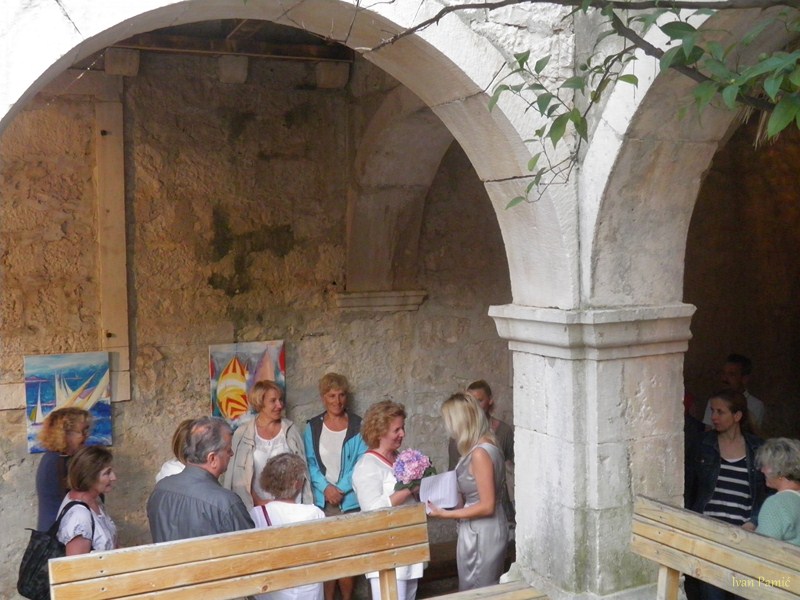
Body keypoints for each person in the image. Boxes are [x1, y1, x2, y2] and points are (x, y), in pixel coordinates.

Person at [687, 389, 767, 600]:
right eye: (712, 410)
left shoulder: (757, 448)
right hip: (709, 534)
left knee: (743, 593)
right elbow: (689, 488)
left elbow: (766, 493)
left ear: (737, 415)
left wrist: (754, 521)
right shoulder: (702, 444)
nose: (713, 417)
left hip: (744, 536)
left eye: (720, 412)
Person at [429, 393, 508, 591]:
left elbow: (487, 506)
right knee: (478, 587)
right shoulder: (487, 444)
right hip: (482, 528)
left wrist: (445, 514)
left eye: (449, 421)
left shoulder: (480, 453)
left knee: (478, 588)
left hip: (481, 531)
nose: (449, 428)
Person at [304, 372, 367, 600]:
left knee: (348, 557)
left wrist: (339, 489)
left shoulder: (358, 425)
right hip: (323, 501)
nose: (337, 401)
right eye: (332, 396)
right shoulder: (312, 427)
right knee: (327, 557)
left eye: (341, 395)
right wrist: (325, 488)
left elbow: (362, 461)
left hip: (349, 501)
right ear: (323, 398)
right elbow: (309, 462)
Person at [352, 400, 422, 600]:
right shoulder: (367, 466)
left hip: (408, 545)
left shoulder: (399, 458)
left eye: (403, 427)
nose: (403, 433)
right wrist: (408, 489)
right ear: (380, 432)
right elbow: (372, 511)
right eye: (396, 430)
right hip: (387, 551)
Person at [147, 416, 254, 542]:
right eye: (228, 449)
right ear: (212, 459)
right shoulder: (226, 503)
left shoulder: (160, 490)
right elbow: (251, 546)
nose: (232, 454)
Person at [223, 380, 311, 509]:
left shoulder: (291, 430)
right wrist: (260, 503)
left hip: (290, 507)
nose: (279, 405)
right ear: (260, 402)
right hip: (255, 508)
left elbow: (303, 472)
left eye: (280, 400)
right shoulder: (242, 434)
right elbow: (238, 478)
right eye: (273, 401)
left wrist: (286, 504)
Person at [251, 453, 325, 600]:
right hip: (309, 592)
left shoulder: (257, 514)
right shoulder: (314, 513)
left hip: (270, 592)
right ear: (297, 484)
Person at [448, 380, 515, 527]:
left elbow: (511, 467)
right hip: (474, 515)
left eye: (479, 401)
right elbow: (453, 474)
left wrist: (444, 514)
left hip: (488, 517)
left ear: (490, 401)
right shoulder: (457, 441)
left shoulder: (496, 437)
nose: (476, 407)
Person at [36, 407, 91, 530]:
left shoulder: (58, 458)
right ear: (65, 434)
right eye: (82, 431)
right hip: (59, 532)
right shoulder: (56, 461)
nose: (86, 436)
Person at [56, 445, 118, 554]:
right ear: (89, 476)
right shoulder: (79, 516)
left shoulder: (94, 500)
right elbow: (76, 563)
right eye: (107, 473)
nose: (113, 477)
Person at [754, 438, 800, 546]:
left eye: (766, 465)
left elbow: (762, 548)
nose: (762, 470)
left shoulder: (776, 503)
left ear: (779, 470)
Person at [702, 354, 765, 431]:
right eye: (723, 373)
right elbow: (708, 431)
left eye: (731, 374)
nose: (724, 379)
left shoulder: (756, 405)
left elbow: (751, 433)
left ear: (744, 379)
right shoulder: (714, 401)